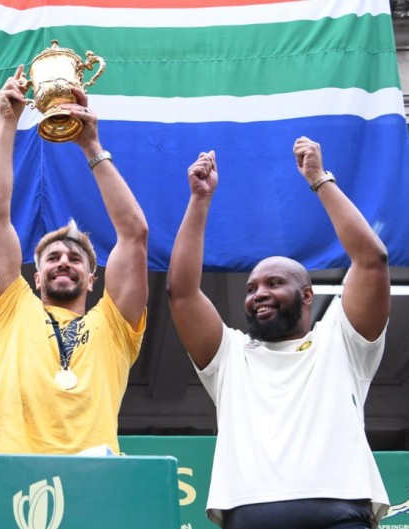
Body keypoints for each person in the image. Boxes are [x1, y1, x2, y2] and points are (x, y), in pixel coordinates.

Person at [166, 137, 390, 528]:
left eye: (273, 283)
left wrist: (320, 179)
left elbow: (372, 260)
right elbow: (181, 293)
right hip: (250, 514)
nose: (259, 294)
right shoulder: (229, 356)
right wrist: (199, 200)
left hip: (340, 514)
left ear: (307, 295)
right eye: (252, 288)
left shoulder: (341, 339)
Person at [0, 66, 148, 454]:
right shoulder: (10, 305)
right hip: (4, 477)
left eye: (76, 258)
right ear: (36, 278)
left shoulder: (117, 324)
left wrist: (91, 146)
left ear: (92, 280)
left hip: (95, 487)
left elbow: (134, 235)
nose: (64, 261)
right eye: (52, 257)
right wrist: (6, 124)